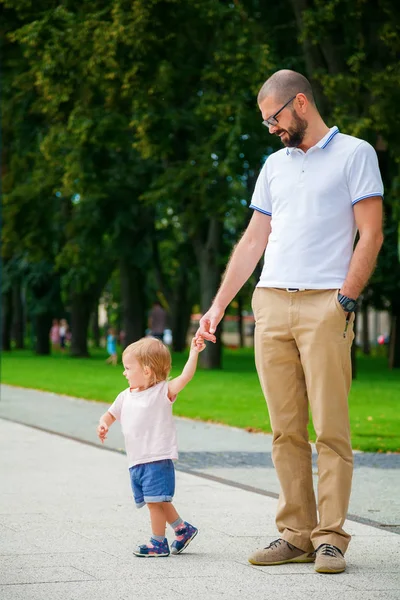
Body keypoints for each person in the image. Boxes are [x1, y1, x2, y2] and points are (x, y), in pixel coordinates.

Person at [197, 70, 384, 574]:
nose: (271, 129)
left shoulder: (356, 154)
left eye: (274, 118)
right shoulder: (274, 165)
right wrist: (218, 306)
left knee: (331, 429)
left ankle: (331, 537)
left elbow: (371, 234)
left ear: (300, 103)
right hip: (272, 303)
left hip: (327, 303)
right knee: (285, 430)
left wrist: (344, 300)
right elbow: (254, 239)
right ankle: (297, 533)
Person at [96, 335, 206, 557]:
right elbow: (111, 413)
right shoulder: (125, 396)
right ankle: (182, 530)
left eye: (128, 368)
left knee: (155, 503)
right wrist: (103, 424)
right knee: (157, 499)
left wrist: (194, 352)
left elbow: (185, 376)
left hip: (157, 458)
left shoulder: (162, 392)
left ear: (146, 371)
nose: (124, 372)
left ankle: (158, 542)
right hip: (137, 460)